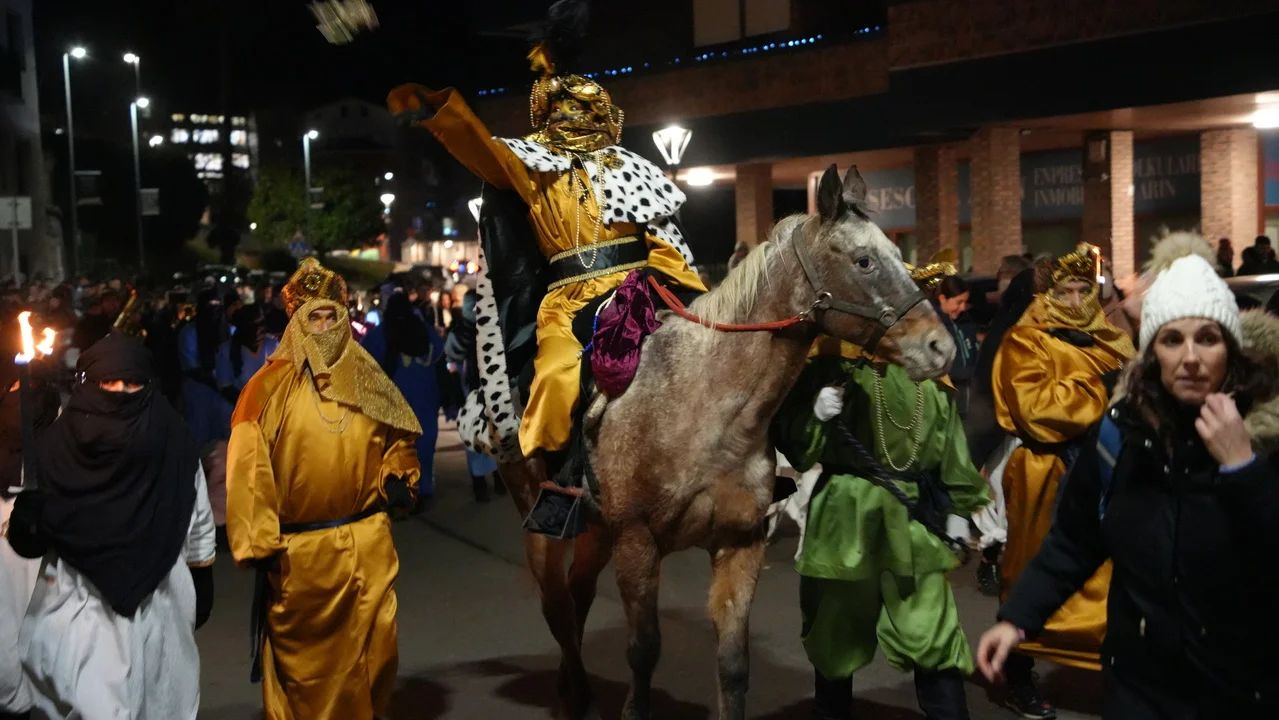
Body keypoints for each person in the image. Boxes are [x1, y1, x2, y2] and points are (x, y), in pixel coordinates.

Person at [388, 0, 704, 467]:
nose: (570, 114)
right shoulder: (533, 167)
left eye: (580, 106)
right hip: (568, 303)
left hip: (638, 292)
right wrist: (439, 112)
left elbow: (664, 241)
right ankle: (560, 483)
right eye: (561, 107)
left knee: (708, 357)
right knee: (555, 379)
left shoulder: (631, 168)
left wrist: (680, 290)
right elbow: (483, 149)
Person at [977, 233, 1279, 717]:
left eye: (1208, 338)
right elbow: (1074, 541)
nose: (1191, 357)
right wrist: (1016, 619)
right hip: (1139, 689)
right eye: (1172, 339)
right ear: (1152, 352)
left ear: (1231, 350)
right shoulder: (1121, 433)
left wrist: (1242, 468)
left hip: (1238, 693)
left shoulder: (1267, 437)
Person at [226, 258, 421, 720]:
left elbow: (398, 439)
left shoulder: (368, 378)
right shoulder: (266, 390)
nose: (324, 327)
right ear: (296, 322)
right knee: (314, 677)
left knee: (377, 656)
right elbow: (248, 469)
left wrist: (399, 474)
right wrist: (257, 540)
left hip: (370, 545)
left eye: (332, 317)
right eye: (313, 317)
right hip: (304, 558)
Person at [772, 336, 989, 720]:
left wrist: (958, 515)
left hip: (911, 521)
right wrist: (814, 414)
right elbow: (796, 447)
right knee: (834, 634)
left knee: (932, 630)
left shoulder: (928, 373)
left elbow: (952, 450)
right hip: (843, 518)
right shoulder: (831, 365)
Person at [7, 334, 215, 720]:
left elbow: (197, 511)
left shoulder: (172, 442)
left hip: (161, 601)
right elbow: (32, 541)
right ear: (87, 385)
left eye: (132, 384)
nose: (120, 392)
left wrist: (202, 572)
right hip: (82, 605)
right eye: (109, 383)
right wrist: (26, 527)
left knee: (160, 703)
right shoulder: (55, 451)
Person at [990, 243, 1135, 719]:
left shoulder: (1110, 339)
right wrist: (1102, 392)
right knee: (1031, 570)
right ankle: (1017, 674)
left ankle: (1121, 671)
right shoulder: (1025, 340)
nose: (1074, 301)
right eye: (1064, 291)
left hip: (1106, 467)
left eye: (1081, 290)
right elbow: (1037, 410)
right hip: (1046, 471)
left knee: (1114, 578)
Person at [965, 268, 1036, 598]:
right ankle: (993, 561)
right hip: (1005, 431)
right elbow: (989, 388)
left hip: (1031, 431)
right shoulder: (1004, 335)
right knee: (1005, 501)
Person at [360, 291, 441, 507]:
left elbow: (363, 360)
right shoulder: (424, 330)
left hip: (394, 401)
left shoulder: (382, 333)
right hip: (425, 398)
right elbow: (439, 352)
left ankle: (401, 494)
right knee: (424, 447)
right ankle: (424, 490)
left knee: (395, 448)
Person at [445, 289, 504, 502]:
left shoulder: (465, 331)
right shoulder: (486, 328)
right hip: (476, 391)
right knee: (483, 434)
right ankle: (489, 480)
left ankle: (488, 481)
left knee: (484, 434)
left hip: (479, 391)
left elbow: (450, 360)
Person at [178, 288, 229, 448]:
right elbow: (191, 367)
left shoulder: (230, 331)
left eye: (217, 305)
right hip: (199, 392)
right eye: (210, 305)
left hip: (225, 395)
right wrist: (216, 382)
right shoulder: (189, 332)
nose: (214, 310)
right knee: (199, 437)